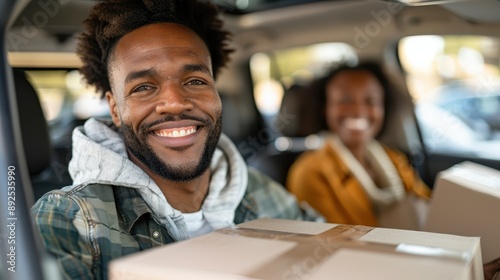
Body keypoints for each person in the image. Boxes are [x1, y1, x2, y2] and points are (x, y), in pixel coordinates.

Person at [30, 1, 322, 279]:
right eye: (144, 87)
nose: (174, 102)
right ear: (115, 109)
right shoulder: (68, 221)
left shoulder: (265, 192)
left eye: (195, 81)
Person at [287, 62, 431, 227]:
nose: (358, 110)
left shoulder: (394, 159)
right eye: (345, 100)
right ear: (325, 108)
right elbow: (335, 243)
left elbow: (427, 203)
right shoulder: (310, 173)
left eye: (370, 101)